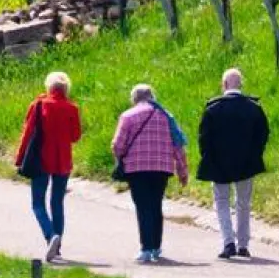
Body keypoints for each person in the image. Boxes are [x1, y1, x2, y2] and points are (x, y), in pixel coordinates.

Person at [196, 68, 270, 259]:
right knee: (243, 203)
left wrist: (209, 158)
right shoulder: (254, 108)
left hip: (219, 163)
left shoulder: (212, 109)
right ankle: (243, 245)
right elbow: (263, 135)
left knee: (222, 202)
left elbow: (204, 139)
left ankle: (228, 242)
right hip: (246, 163)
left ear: (224, 85)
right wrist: (255, 155)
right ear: (241, 85)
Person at [112, 84, 188, 263]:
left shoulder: (128, 116)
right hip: (162, 168)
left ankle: (145, 248)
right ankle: (156, 247)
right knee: (156, 205)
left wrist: (119, 157)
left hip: (137, 168)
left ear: (134, 99)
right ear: (152, 97)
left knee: (142, 207)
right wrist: (182, 171)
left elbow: (117, 145)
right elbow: (178, 145)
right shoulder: (167, 116)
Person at [14, 72, 83, 261]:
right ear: (66, 89)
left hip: (41, 160)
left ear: (48, 87)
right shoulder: (72, 108)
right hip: (63, 161)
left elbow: (27, 133)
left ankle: (50, 235)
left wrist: (19, 158)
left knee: (38, 203)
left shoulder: (38, 105)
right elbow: (75, 136)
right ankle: (57, 246)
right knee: (57, 202)